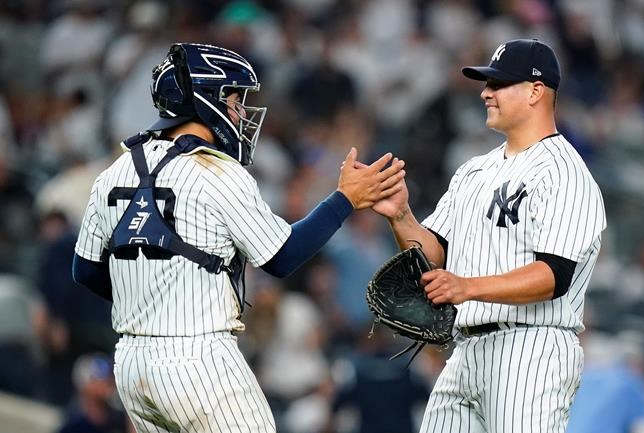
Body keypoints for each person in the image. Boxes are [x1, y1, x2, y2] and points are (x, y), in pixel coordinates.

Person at [72, 42, 405, 433]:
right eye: (234, 98)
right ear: (207, 99)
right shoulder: (216, 172)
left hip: (130, 363)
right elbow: (281, 258)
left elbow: (86, 271)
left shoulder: (115, 171)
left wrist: (153, 299)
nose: (241, 111)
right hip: (198, 358)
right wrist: (345, 199)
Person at [369, 38, 607, 433]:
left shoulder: (565, 173)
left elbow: (554, 276)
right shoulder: (473, 171)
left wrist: (466, 287)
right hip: (466, 351)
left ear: (535, 91)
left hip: (531, 350)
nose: (485, 92)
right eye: (487, 84)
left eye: (498, 84)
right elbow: (433, 257)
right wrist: (401, 216)